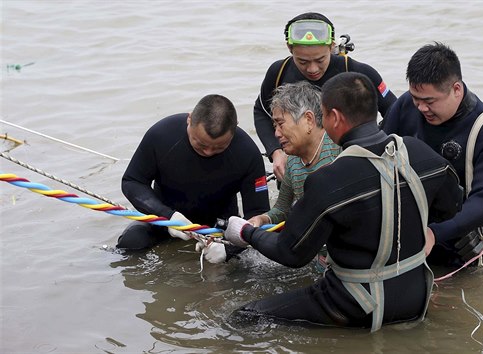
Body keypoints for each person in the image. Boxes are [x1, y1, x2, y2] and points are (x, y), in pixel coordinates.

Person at [223, 72, 462, 331]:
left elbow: (290, 253)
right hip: (416, 296)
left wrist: (246, 232)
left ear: (334, 118)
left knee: (246, 315)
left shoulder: (328, 179)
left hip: (356, 305)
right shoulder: (420, 152)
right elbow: (452, 206)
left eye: (324, 115)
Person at [381, 42, 483, 268]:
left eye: (430, 101)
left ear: (457, 89)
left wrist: (434, 233)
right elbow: (378, 153)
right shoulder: (406, 105)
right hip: (405, 233)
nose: (421, 108)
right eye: (416, 98)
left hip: (457, 248)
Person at [117, 94, 270, 263]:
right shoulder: (162, 135)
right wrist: (168, 216)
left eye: (219, 147)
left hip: (219, 228)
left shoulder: (248, 153)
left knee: (242, 263)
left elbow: (258, 215)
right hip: (165, 220)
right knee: (130, 243)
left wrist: (228, 249)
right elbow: (132, 181)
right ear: (189, 120)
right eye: (201, 144)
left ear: (234, 130)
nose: (208, 152)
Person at [254, 12, 397, 183]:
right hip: (297, 169)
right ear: (289, 48)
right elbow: (261, 112)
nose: (312, 69)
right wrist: (275, 152)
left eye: (320, 59)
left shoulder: (359, 73)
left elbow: (395, 111)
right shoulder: (278, 72)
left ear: (332, 46)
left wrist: (375, 150)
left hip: (350, 167)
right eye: (303, 62)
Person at [248, 81, 341, 227]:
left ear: (309, 120)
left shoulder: (340, 147)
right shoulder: (292, 162)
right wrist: (261, 219)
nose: (276, 134)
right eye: (274, 126)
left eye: (281, 124)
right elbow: (281, 210)